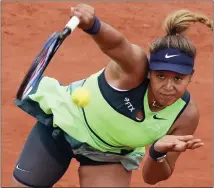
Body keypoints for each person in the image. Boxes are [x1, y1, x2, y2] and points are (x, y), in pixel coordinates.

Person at [12, 4, 213, 187]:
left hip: (109, 153)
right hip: (63, 126)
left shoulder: (186, 114)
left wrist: (157, 152)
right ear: (150, 71)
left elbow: (152, 178)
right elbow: (116, 45)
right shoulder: (135, 69)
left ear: (190, 77)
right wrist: (93, 24)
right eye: (161, 76)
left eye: (178, 79)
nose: (168, 86)